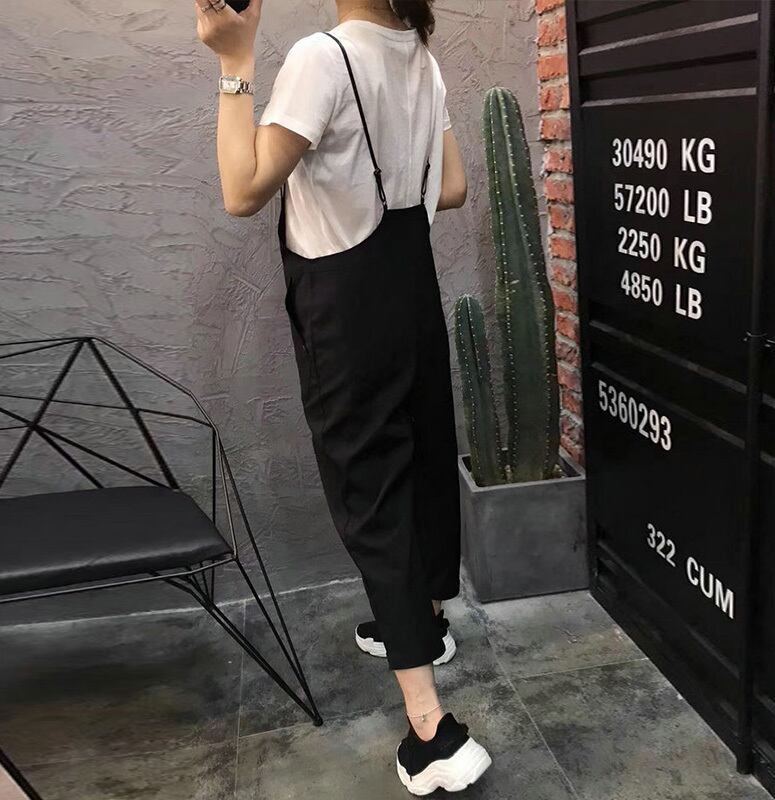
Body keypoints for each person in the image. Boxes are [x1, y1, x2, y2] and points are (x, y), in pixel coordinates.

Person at [195, 0, 492, 792]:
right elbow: (452, 186)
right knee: (422, 458)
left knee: (372, 492)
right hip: (410, 291)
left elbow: (241, 189)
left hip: (346, 311)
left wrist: (234, 63)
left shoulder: (321, 59)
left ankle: (432, 733)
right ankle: (426, 622)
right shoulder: (419, 56)